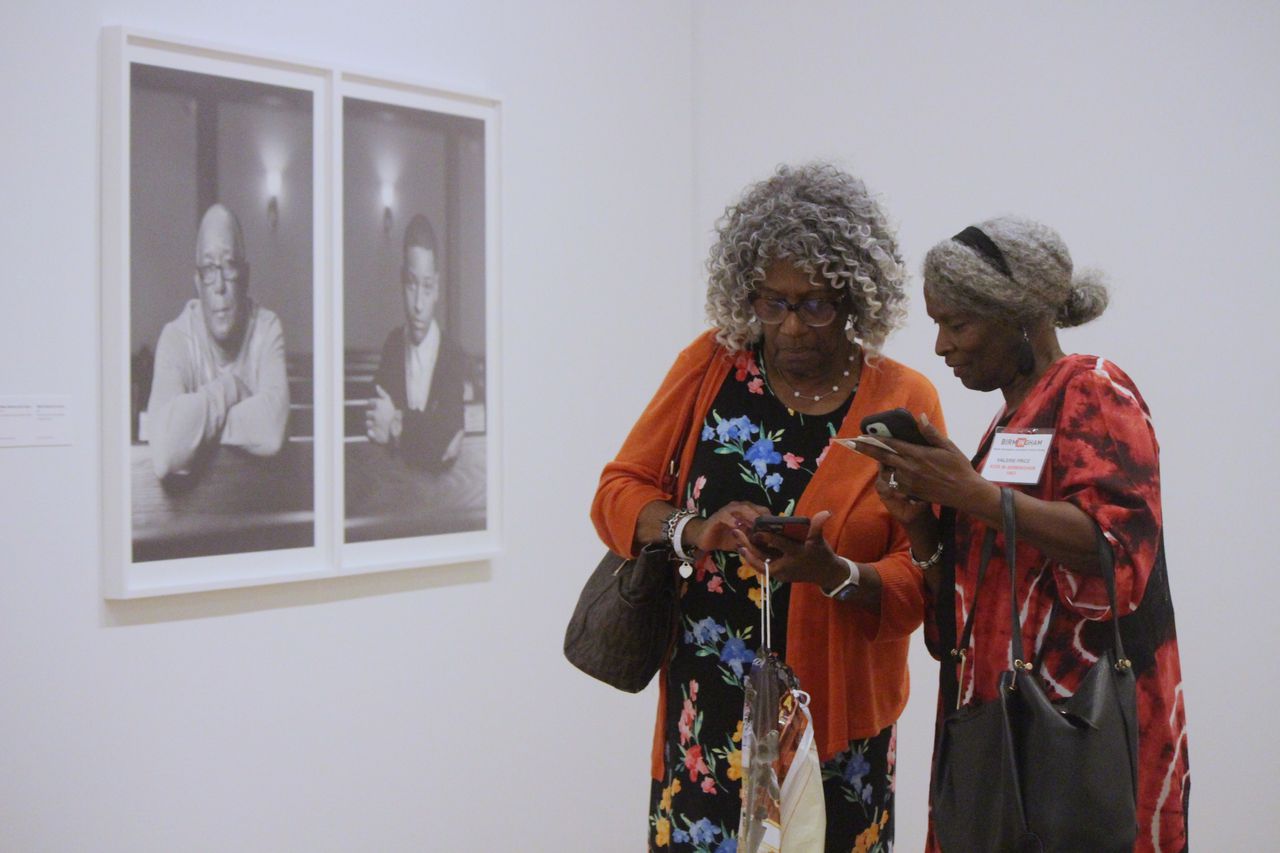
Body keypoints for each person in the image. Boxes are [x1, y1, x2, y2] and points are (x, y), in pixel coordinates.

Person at [591, 163, 944, 852]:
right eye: (771, 302)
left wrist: (833, 571)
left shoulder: (903, 402)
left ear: (855, 296)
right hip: (708, 716)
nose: (790, 326)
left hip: (835, 732)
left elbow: (924, 578)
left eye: (814, 304)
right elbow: (618, 491)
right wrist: (694, 528)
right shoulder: (711, 366)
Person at [856, 216, 1189, 852]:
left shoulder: (1093, 387)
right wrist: (921, 523)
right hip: (1001, 738)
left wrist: (972, 494)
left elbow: (1120, 551)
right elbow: (973, 600)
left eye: (957, 324)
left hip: (1077, 741)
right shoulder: (1009, 424)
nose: (940, 347)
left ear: (1022, 317)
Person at [147, 203, 288, 480]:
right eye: (209, 269)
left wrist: (193, 432)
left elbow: (272, 432)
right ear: (198, 283)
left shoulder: (266, 328)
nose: (220, 285)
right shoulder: (176, 338)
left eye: (229, 266)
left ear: (245, 276)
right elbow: (165, 453)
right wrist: (231, 389)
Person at [365, 213, 466, 472]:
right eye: (411, 285)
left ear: (438, 288)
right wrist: (426, 433)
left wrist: (396, 426)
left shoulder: (455, 356)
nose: (419, 304)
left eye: (428, 287)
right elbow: (375, 422)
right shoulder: (393, 346)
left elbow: (445, 435)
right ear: (401, 280)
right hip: (395, 497)